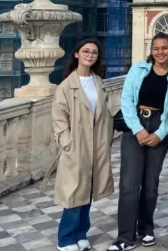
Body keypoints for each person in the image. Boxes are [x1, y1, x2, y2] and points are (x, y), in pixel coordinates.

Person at [108, 32, 168, 251]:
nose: (160, 52)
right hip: (135, 125)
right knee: (130, 185)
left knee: (151, 185)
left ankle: (146, 230)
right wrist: (138, 129)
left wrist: (160, 132)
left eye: (164, 48)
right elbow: (127, 100)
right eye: (156, 48)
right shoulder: (138, 69)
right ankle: (125, 237)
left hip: (160, 127)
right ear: (152, 50)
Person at [52, 39, 114, 251]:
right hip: (76, 146)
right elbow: (59, 119)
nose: (90, 55)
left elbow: (104, 114)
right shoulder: (66, 86)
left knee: (87, 191)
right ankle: (65, 239)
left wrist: (107, 138)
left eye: (94, 52)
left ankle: (81, 233)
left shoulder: (98, 82)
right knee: (73, 193)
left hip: (96, 145)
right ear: (77, 54)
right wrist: (68, 144)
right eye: (86, 51)